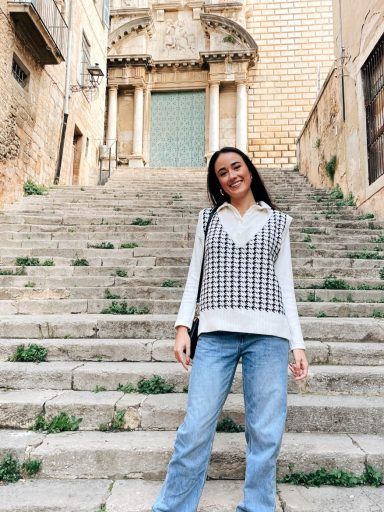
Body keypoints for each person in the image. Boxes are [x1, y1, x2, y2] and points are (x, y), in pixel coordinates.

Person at [152, 147, 309, 512]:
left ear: (250, 171)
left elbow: (285, 285)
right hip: (214, 334)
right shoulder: (208, 219)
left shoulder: (278, 221)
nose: (231, 175)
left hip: (269, 335)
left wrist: (297, 343)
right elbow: (195, 275)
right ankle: (172, 508)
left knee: (265, 433)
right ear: (218, 182)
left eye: (236, 167)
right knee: (195, 428)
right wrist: (181, 326)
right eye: (222, 172)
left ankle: (257, 507)